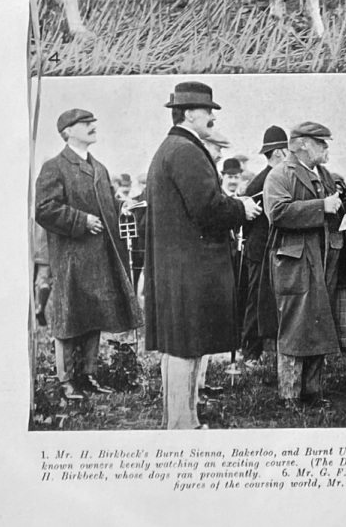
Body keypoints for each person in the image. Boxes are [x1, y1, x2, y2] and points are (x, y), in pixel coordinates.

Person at [144, 82, 261, 430]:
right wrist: (241, 208)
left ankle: (183, 420)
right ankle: (182, 425)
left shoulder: (174, 147)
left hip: (179, 265)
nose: (212, 117)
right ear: (189, 114)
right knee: (185, 347)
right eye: (208, 111)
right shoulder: (186, 151)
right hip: (190, 266)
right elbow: (207, 208)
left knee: (183, 346)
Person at [34, 109, 141, 403]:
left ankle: (88, 375)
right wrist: (81, 220)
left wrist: (121, 206)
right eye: (85, 123)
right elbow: (44, 209)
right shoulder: (54, 167)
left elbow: (107, 205)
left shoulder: (100, 168)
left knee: (94, 315)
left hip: (97, 257)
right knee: (69, 319)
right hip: (71, 258)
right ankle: (66, 380)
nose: (93, 126)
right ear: (67, 131)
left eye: (93, 121)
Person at [264, 121, 346, 410]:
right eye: (321, 142)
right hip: (296, 264)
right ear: (302, 144)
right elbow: (278, 213)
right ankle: (290, 395)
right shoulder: (280, 173)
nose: (326, 148)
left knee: (319, 324)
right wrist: (322, 206)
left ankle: (313, 392)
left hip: (324, 260)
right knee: (295, 326)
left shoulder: (323, 174)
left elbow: (336, 204)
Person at [241, 126, 287, 362]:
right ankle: (250, 352)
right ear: (278, 152)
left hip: (266, 249)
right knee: (255, 301)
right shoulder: (264, 181)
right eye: (286, 150)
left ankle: (262, 349)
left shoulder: (268, 178)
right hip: (260, 251)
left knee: (265, 301)